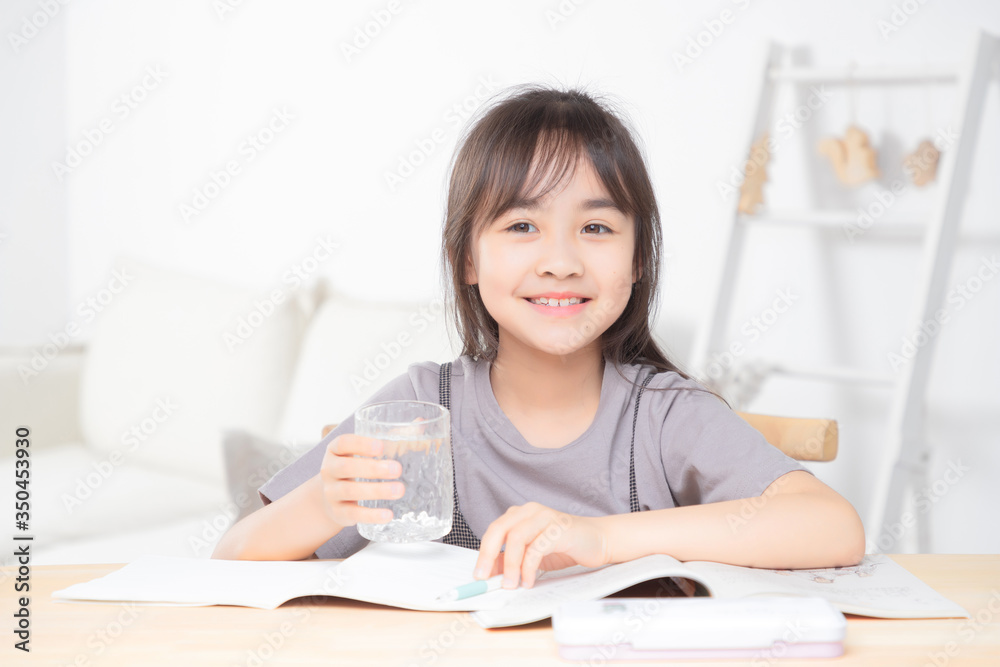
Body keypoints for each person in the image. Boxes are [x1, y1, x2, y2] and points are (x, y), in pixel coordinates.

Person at [212, 84, 865, 589]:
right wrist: (327, 502)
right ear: (467, 259)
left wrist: (601, 539)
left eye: (597, 228)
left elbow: (834, 527)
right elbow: (234, 554)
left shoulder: (666, 415)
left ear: (638, 261)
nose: (560, 260)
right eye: (522, 226)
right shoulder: (423, 409)